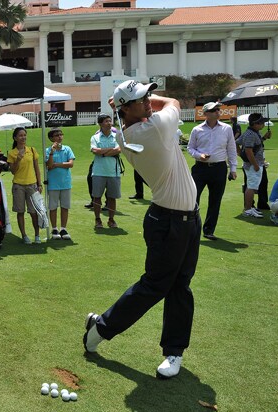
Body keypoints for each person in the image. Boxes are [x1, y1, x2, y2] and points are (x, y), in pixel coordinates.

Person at [84, 80, 199, 380]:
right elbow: (174, 102)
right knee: (155, 286)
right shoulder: (154, 128)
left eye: (148, 95)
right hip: (168, 221)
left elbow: (149, 109)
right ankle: (100, 329)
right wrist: (149, 99)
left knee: (180, 285)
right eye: (141, 98)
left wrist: (130, 101)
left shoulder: (131, 132)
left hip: (187, 219)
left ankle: (174, 350)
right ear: (125, 109)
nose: (148, 100)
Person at [187, 101, 237, 240]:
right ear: (205, 113)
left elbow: (231, 149)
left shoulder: (227, 128)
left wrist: (233, 168)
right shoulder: (197, 129)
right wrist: (199, 155)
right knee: (192, 198)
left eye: (218, 110)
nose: (217, 112)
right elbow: (190, 148)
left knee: (215, 200)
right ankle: (191, 228)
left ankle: (209, 230)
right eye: (214, 110)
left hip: (219, 168)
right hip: (200, 168)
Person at [7, 127, 42, 244]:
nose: (23, 137)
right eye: (20, 135)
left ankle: (37, 235)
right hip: (18, 186)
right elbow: (13, 171)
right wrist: (18, 159)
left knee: (33, 212)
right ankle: (24, 236)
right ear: (15, 138)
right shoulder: (12, 153)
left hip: (32, 185)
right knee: (20, 211)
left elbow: (37, 168)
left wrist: (39, 184)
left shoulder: (31, 150)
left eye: (24, 135)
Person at [90, 113, 122, 229]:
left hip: (114, 172)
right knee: (97, 197)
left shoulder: (116, 136)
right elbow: (95, 150)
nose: (109, 123)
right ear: (100, 124)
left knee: (112, 197)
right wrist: (110, 150)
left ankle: (111, 219)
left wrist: (103, 153)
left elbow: (119, 149)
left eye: (110, 121)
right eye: (106, 121)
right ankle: (98, 219)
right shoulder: (95, 137)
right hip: (99, 172)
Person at [45, 128, 75, 240]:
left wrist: (57, 164)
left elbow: (70, 164)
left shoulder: (67, 149)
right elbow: (49, 165)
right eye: (57, 135)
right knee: (53, 207)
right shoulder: (48, 150)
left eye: (61, 134)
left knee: (65, 206)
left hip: (65, 183)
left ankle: (63, 228)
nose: (60, 137)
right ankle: (54, 228)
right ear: (51, 138)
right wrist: (52, 152)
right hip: (53, 184)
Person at [241, 113, 271, 218]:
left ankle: (249, 208)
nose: (263, 124)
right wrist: (255, 165)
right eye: (261, 122)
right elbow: (248, 151)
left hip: (254, 164)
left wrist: (264, 138)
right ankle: (248, 209)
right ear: (255, 124)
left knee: (252, 186)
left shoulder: (253, 133)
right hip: (253, 165)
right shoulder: (251, 134)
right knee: (251, 187)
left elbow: (237, 142)